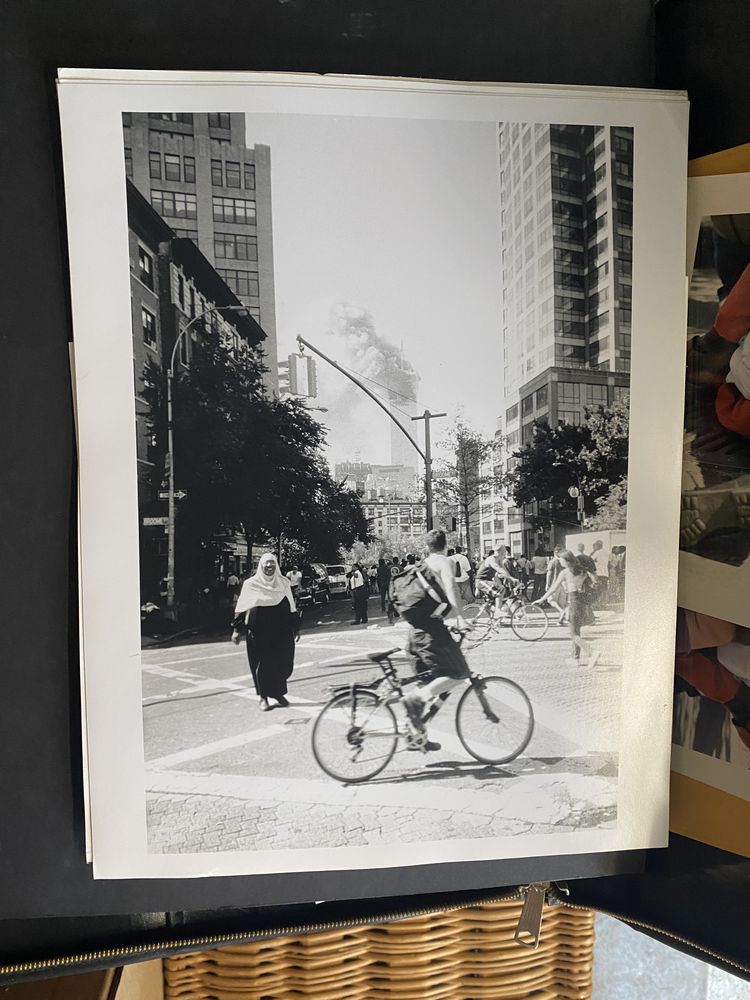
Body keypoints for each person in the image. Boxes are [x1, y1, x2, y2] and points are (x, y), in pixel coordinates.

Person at [401, 529, 471, 750]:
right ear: (445, 544)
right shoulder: (444, 562)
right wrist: (460, 618)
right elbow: (451, 589)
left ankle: (416, 736)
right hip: (431, 633)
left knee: (428, 683)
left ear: (427, 547)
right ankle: (414, 699)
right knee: (459, 674)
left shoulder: (421, 565)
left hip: (415, 633)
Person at [231, 553, 298, 712]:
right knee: (263, 665)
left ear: (276, 565)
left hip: (281, 630)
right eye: (266, 564)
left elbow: (291, 606)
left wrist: (296, 627)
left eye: (272, 563)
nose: (269, 566)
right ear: (261, 566)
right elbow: (242, 607)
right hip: (259, 631)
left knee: (283, 662)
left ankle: (278, 693)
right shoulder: (251, 584)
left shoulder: (283, 583)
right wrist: (236, 630)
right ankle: (263, 696)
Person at [534, 550, 599, 667]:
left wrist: (542, 599)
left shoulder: (565, 573)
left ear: (567, 561)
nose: (560, 562)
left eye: (561, 560)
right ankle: (575, 658)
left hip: (573, 601)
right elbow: (594, 578)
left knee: (573, 634)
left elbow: (553, 588)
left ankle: (591, 652)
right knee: (576, 631)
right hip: (582, 602)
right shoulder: (582, 571)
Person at [475, 547, 520, 617]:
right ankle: (497, 611)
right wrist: (511, 578)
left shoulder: (499, 560)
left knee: (498, 597)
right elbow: (498, 569)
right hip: (481, 581)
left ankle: (495, 617)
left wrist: (511, 579)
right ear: (499, 552)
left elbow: (504, 571)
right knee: (501, 589)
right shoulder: (491, 559)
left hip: (487, 581)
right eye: (503, 553)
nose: (504, 554)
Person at [575, 543, 598, 625]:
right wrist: (595, 581)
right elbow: (594, 571)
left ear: (577, 549)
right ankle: (590, 619)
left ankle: (588, 619)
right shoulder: (589, 558)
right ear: (583, 548)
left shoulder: (577, 558)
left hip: (581, 581)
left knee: (582, 601)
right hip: (588, 581)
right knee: (587, 600)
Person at [545, 545, 567, 625]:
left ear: (555, 552)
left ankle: (561, 611)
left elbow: (549, 573)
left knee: (551, 600)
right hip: (563, 584)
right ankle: (560, 619)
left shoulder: (552, 561)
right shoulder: (564, 561)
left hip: (554, 584)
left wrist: (547, 584)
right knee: (562, 603)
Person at [591, 539, 609, 607]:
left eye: (595, 545)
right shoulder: (606, 552)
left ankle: (598, 603)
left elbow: (590, 559)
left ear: (598, 545)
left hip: (599, 573)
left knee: (598, 589)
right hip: (605, 573)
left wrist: (593, 551)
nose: (594, 547)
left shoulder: (597, 552)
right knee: (604, 589)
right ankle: (604, 603)